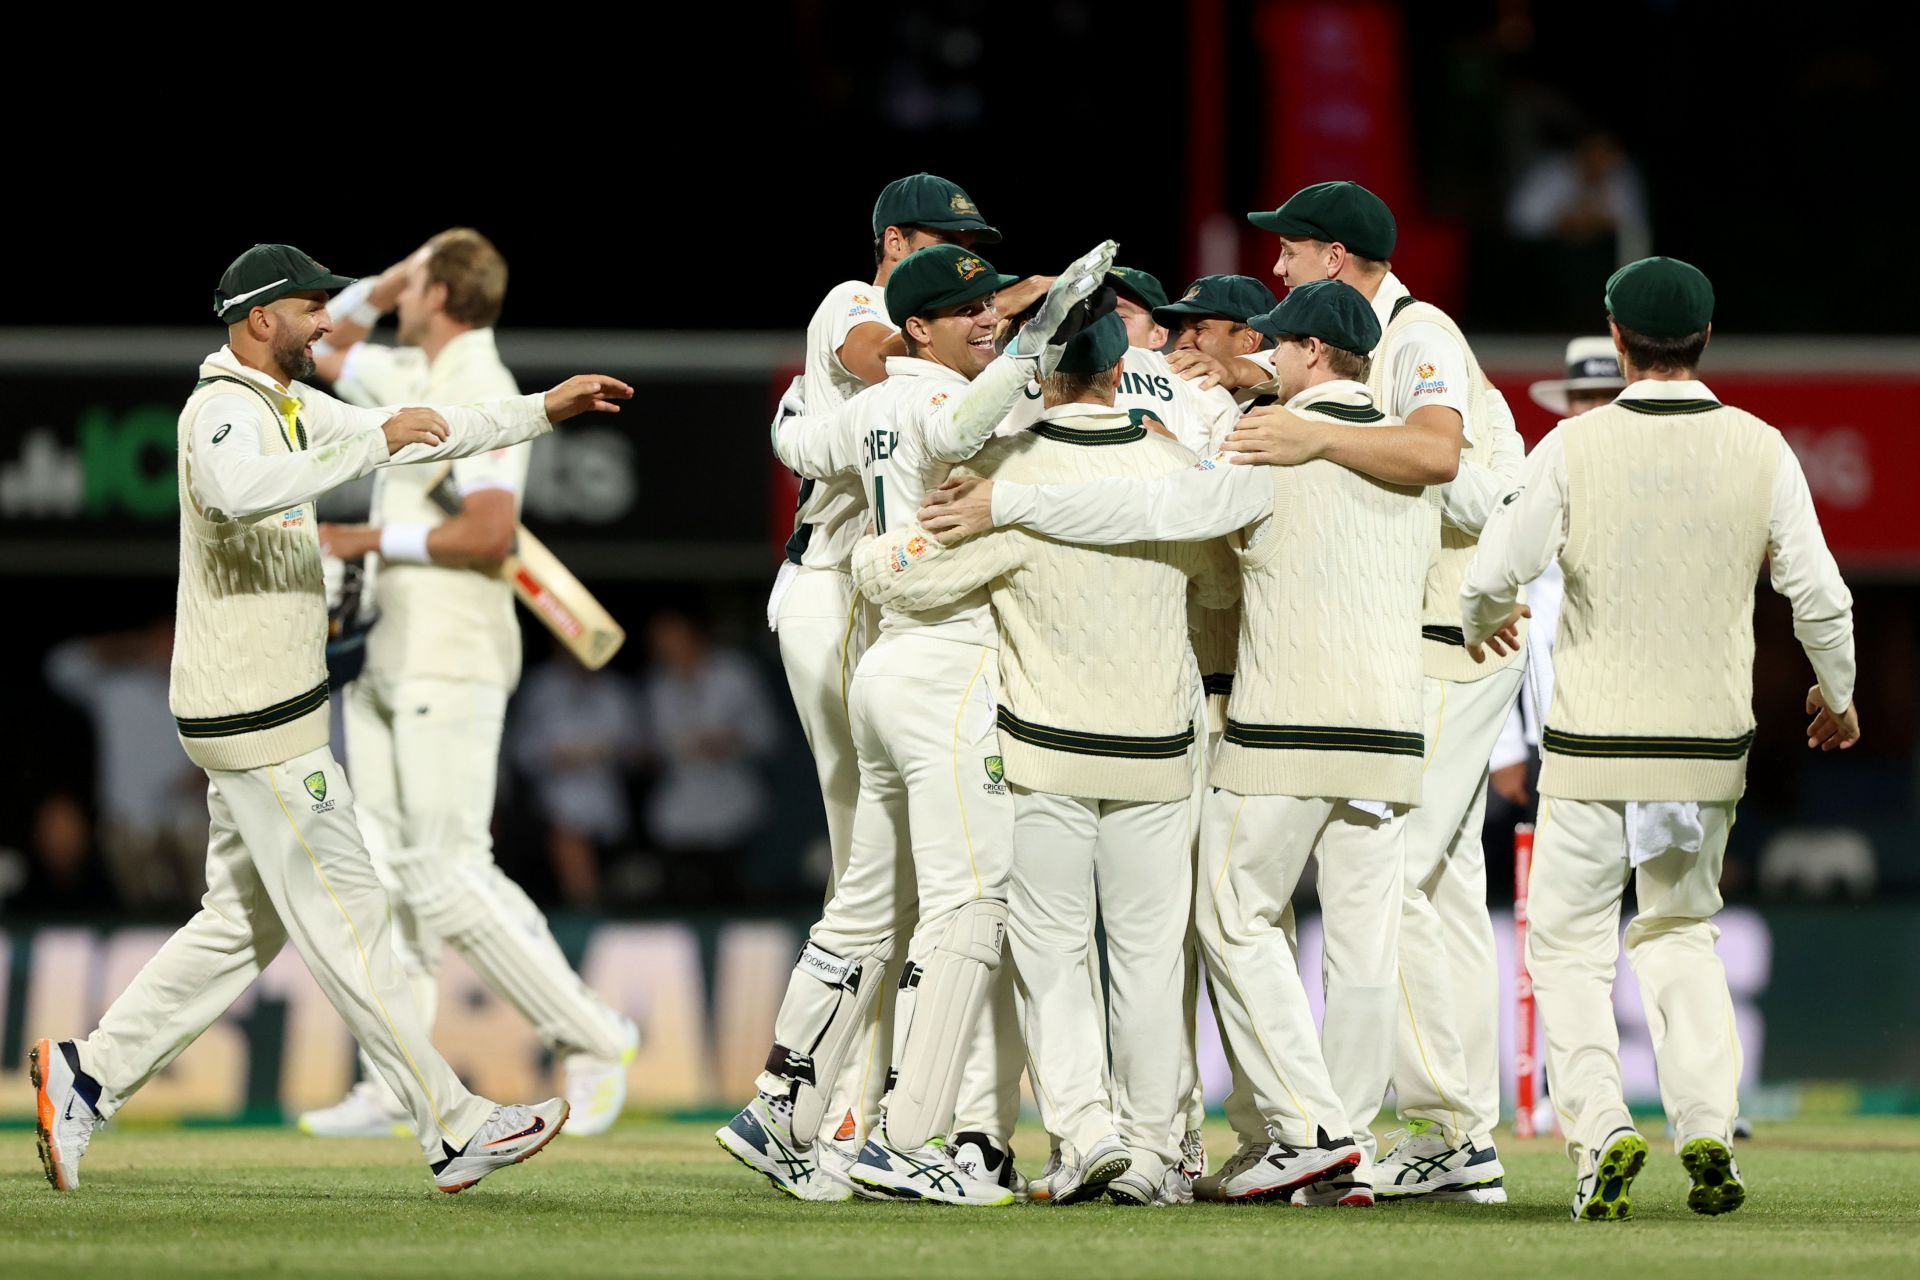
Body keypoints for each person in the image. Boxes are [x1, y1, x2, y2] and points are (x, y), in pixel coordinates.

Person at [29, 243, 632, 1195]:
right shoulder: (224, 408)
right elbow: (239, 492)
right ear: (260, 318)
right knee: (353, 913)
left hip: (262, 708)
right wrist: (368, 445)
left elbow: (421, 426)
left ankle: (88, 1075)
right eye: (311, 307)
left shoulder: (287, 404)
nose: (327, 322)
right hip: (258, 714)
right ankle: (452, 1124)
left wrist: (539, 410)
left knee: (239, 926)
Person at [720, 239, 1116, 1205]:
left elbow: (792, 443)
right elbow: (973, 416)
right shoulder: (944, 400)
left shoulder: (865, 410)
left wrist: (789, 405)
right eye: (968, 310)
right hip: (948, 667)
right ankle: (911, 1140)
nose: (988, 320)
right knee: (970, 904)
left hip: (885, 666)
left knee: (864, 905)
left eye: (993, 308)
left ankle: (781, 1110)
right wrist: (1045, 332)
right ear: (921, 329)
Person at [1461, 256, 1856, 1221]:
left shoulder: (1572, 447)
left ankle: (1601, 1133)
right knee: (1682, 935)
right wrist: (1837, 696)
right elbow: (1822, 595)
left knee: (1566, 949)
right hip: (1705, 750)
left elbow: (1492, 572)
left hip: (1594, 748)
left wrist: (1481, 620)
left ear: (1618, 334)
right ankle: (1709, 1126)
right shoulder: (1762, 445)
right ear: (1708, 338)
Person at [853, 311, 1235, 1206]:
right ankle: (1148, 1154)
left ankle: (1085, 1130)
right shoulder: (1172, 469)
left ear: (1051, 376)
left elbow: (901, 576)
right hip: (1158, 751)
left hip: (1047, 750)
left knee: (1053, 953)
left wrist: (889, 542)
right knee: (1147, 958)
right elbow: (1219, 582)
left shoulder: (1008, 474)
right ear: (1118, 377)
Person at [299, 229, 639, 1140]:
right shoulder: (418, 379)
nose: (399, 294)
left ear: (439, 293)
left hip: (449, 649)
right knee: (385, 872)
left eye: (414, 281)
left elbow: (489, 533)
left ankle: (596, 1034)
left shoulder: (484, 386)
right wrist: (383, 280)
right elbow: (321, 343)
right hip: (386, 646)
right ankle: (402, 1080)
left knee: (446, 873)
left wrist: (366, 541)